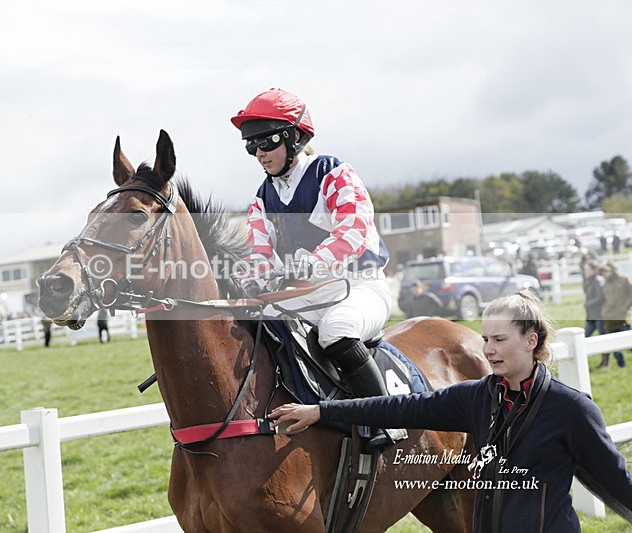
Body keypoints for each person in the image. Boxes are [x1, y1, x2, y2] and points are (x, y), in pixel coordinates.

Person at [269, 290, 632, 531]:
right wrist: (322, 411)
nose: (488, 350)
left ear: (531, 340)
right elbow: (398, 408)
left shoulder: (571, 408)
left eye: (500, 340)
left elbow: (615, 481)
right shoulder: (475, 397)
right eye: (486, 339)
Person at [231, 88, 402, 449]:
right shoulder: (262, 198)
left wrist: (306, 265)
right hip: (308, 296)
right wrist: (249, 281)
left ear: (294, 137)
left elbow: (353, 231)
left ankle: (385, 422)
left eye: (266, 142)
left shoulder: (333, 172)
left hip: (359, 286)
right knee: (258, 327)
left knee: (336, 331)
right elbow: (256, 253)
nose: (259, 153)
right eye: (251, 146)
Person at [599, 262, 629, 368]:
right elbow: (603, 300)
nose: (605, 275)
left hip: (624, 318)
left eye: (607, 271)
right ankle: (622, 366)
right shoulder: (605, 286)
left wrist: (625, 307)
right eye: (603, 273)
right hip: (610, 318)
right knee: (613, 343)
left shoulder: (624, 280)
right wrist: (604, 311)